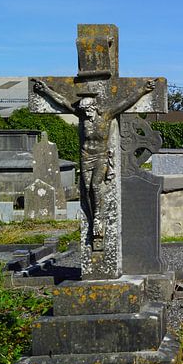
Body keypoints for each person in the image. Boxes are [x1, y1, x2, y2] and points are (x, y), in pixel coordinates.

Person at [32, 78, 156, 250]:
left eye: (89, 110)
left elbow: (126, 102)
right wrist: (45, 90)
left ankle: (98, 217)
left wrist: (143, 89)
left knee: (95, 187)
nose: (87, 114)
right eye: (84, 111)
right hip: (86, 156)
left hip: (100, 156)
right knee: (85, 188)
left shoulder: (106, 115)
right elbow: (63, 101)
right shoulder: (82, 116)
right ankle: (92, 222)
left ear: (95, 108)